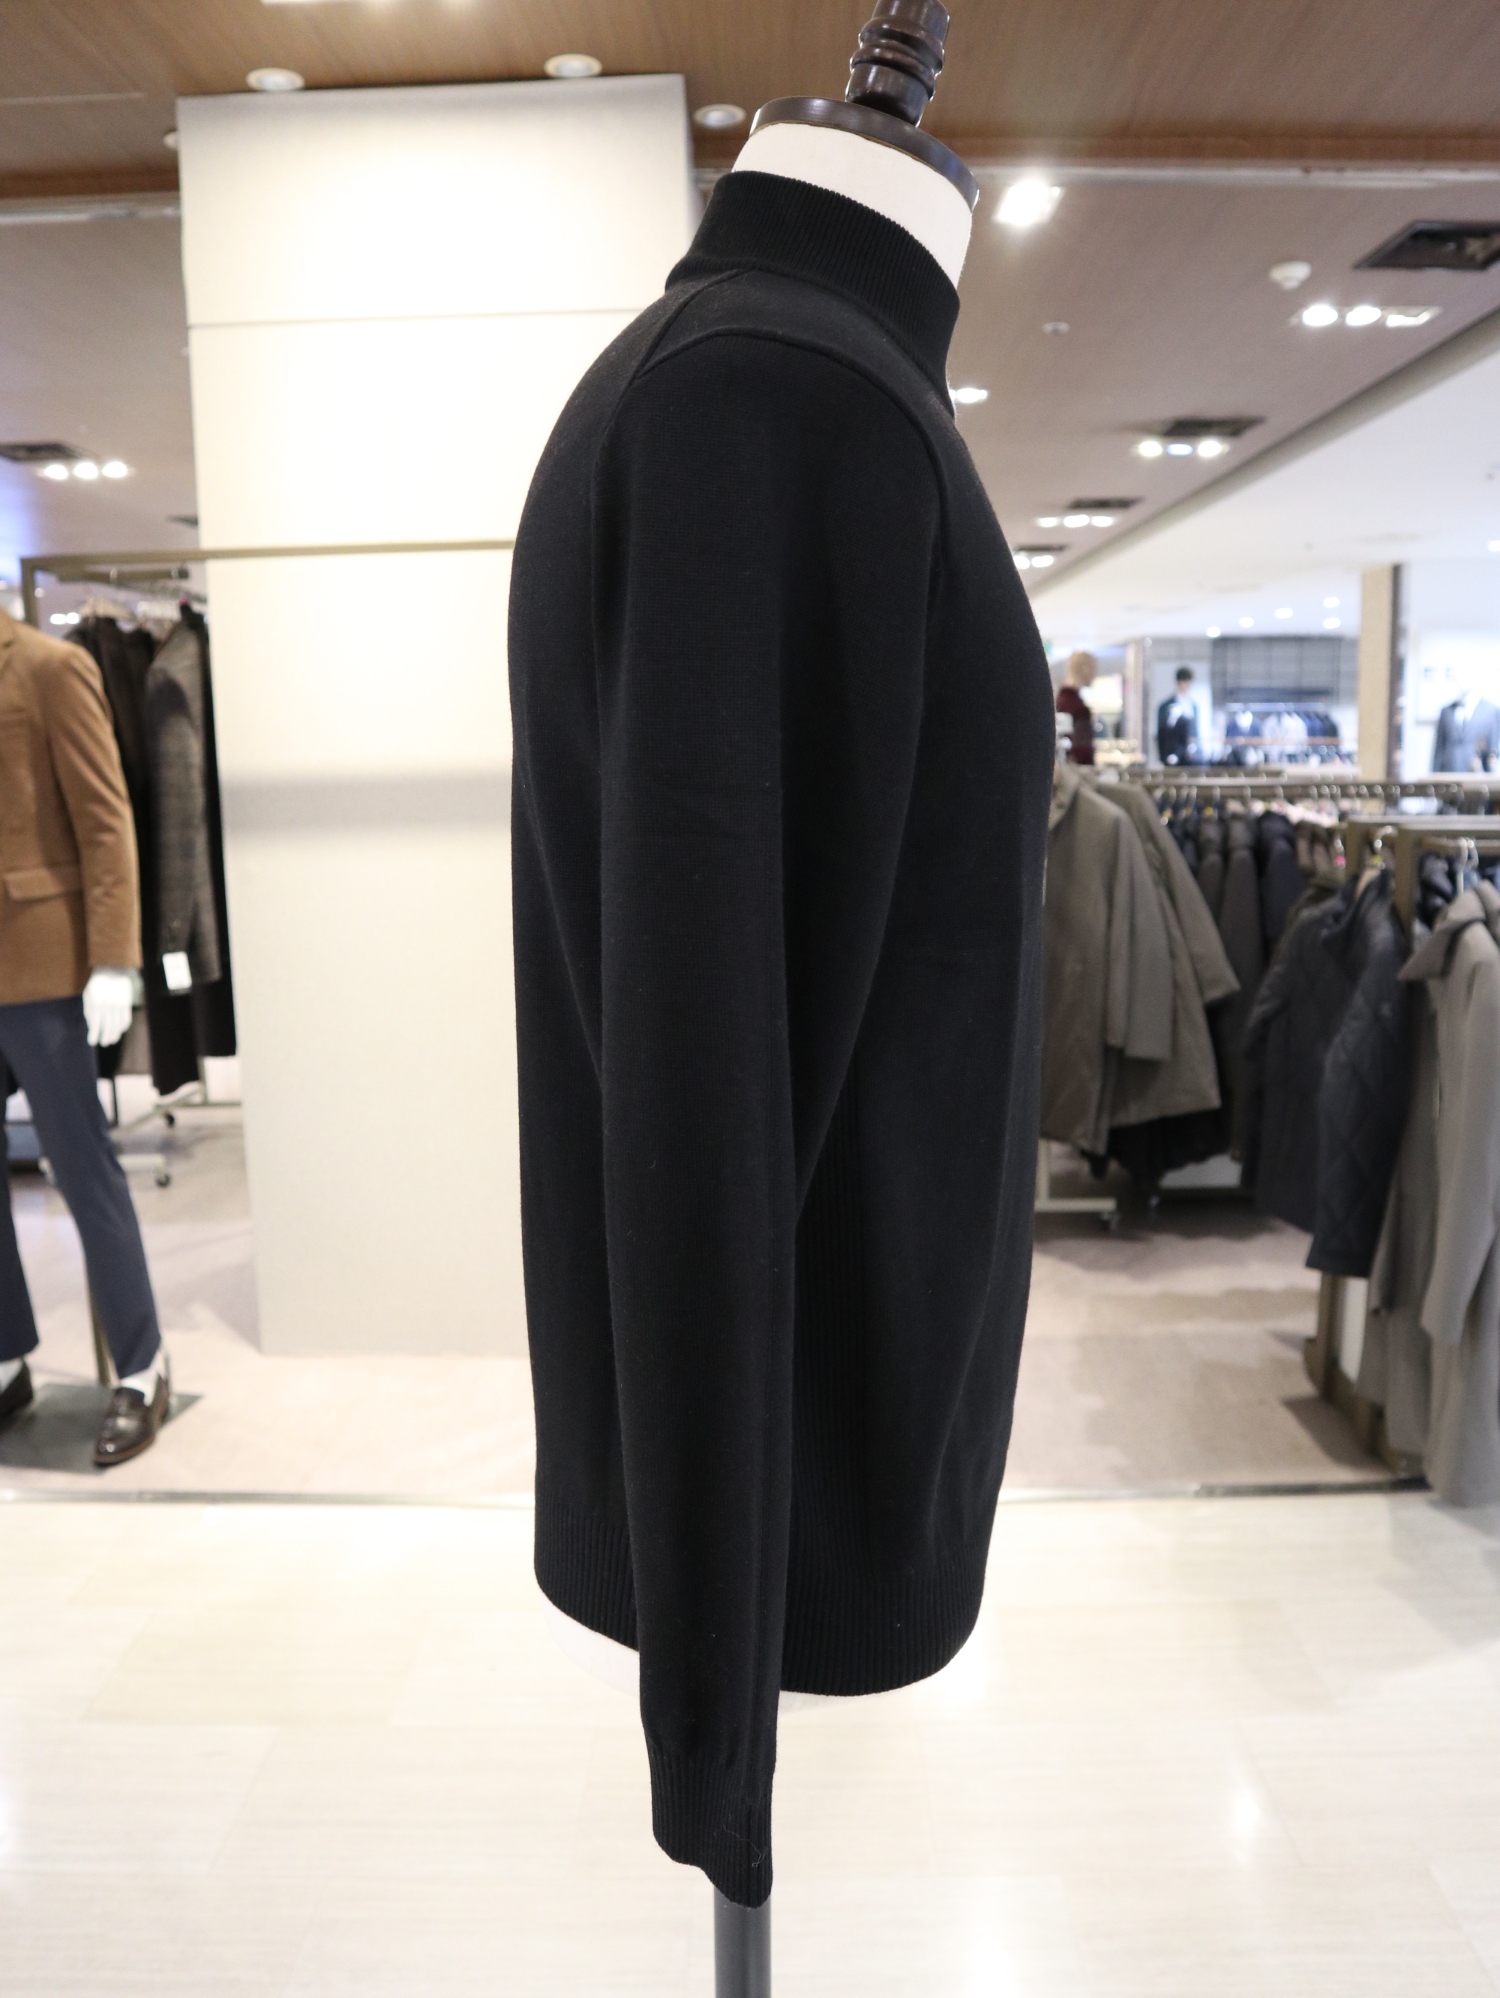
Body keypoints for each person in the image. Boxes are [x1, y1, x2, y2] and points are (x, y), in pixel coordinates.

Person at [0, 606, 172, 1467]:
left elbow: (106, 821)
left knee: (81, 1167)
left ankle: (142, 1364)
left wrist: (113, 958)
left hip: (42, 966)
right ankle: (6, 1357)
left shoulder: (48, 668)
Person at [1432, 687, 1500, 773]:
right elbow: (1439, 751)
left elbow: (1493, 751)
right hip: (1448, 773)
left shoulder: (1491, 711)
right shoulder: (1446, 711)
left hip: (1477, 774)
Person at [1055, 650, 1097, 765]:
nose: (1094, 673)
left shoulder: (1063, 699)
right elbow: (1082, 751)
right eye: (1092, 668)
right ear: (1085, 669)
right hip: (1076, 770)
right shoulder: (1076, 706)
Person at [1158, 666, 1202, 766]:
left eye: (1189, 683)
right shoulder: (1166, 706)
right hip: (1173, 755)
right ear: (1178, 683)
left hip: (1191, 755)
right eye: (1184, 682)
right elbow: (1162, 734)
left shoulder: (1194, 706)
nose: (1187, 686)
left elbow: (1195, 731)